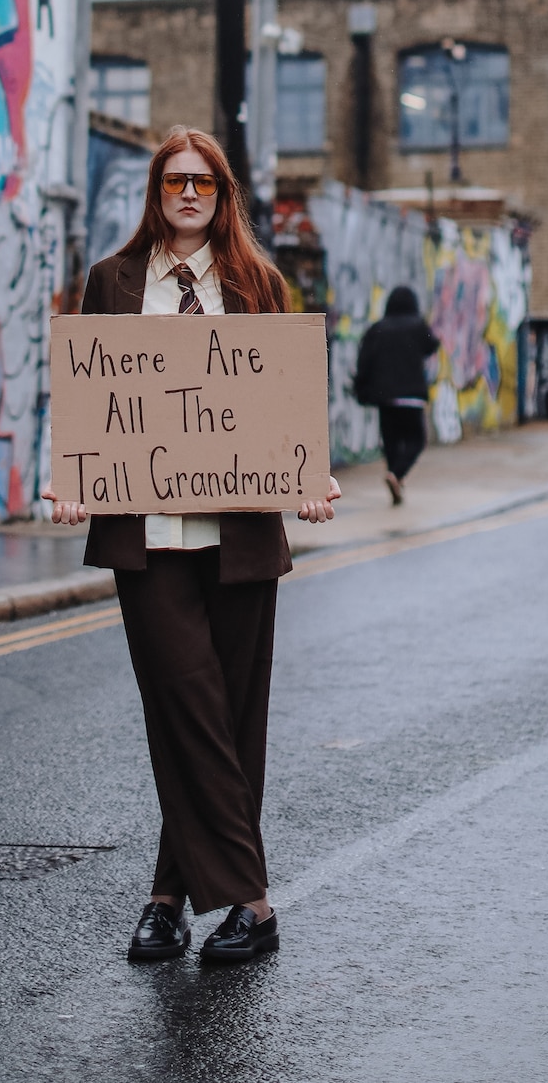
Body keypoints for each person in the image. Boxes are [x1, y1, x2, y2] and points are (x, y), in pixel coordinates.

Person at [43, 125, 341, 963]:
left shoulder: (257, 285)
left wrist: (309, 482)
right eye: (174, 181)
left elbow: (284, 413)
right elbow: (91, 406)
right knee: (185, 704)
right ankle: (254, 901)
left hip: (239, 537)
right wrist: (74, 482)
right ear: (155, 191)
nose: (186, 195)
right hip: (151, 537)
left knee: (230, 715)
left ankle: (167, 899)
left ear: (222, 196)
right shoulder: (112, 282)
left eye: (202, 183)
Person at [353, 284, 440, 505]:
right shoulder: (417, 326)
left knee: (391, 441)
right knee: (417, 440)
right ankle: (397, 475)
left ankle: (395, 478)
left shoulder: (377, 329)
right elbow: (432, 345)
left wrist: (362, 389)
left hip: (386, 398)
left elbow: (364, 361)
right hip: (412, 397)